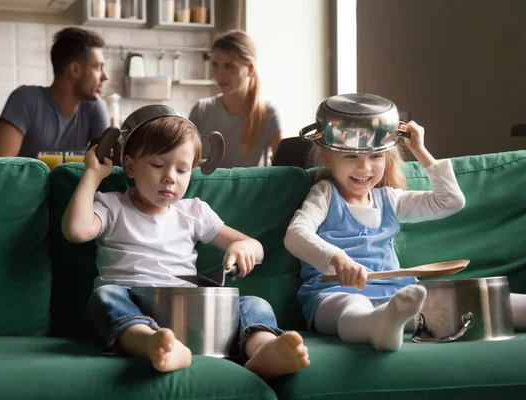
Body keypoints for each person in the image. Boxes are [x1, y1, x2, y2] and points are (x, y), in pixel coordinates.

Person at [61, 111, 310, 377]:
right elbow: (76, 230)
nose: (170, 177)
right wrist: (93, 175)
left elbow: (251, 244)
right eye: (158, 165)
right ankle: (150, 342)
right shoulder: (112, 205)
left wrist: (243, 247)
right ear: (131, 167)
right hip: (131, 301)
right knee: (104, 296)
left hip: (187, 310)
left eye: (182, 170)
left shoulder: (193, 212)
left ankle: (264, 348)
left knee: (254, 304)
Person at [284, 121, 468, 351]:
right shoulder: (325, 194)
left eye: (376, 156)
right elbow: (295, 234)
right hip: (332, 294)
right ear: (327, 156)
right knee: (354, 303)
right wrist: (337, 259)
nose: (365, 167)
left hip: (395, 296)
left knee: (461, 305)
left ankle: (387, 321)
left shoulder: (390, 199)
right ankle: (378, 325)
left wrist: (419, 149)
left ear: (387, 158)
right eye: (351, 156)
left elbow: (450, 202)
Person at [0, 27, 110, 158]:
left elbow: (105, 167)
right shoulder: (25, 99)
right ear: (75, 70)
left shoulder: (95, 107)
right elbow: (1, 167)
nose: (105, 76)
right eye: (98, 67)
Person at [189, 30, 283, 168]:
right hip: (209, 190)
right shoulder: (201, 110)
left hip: (254, 190)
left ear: (250, 69)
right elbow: (185, 161)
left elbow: (284, 165)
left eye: (229, 66)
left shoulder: (268, 113)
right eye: (216, 65)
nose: (220, 73)